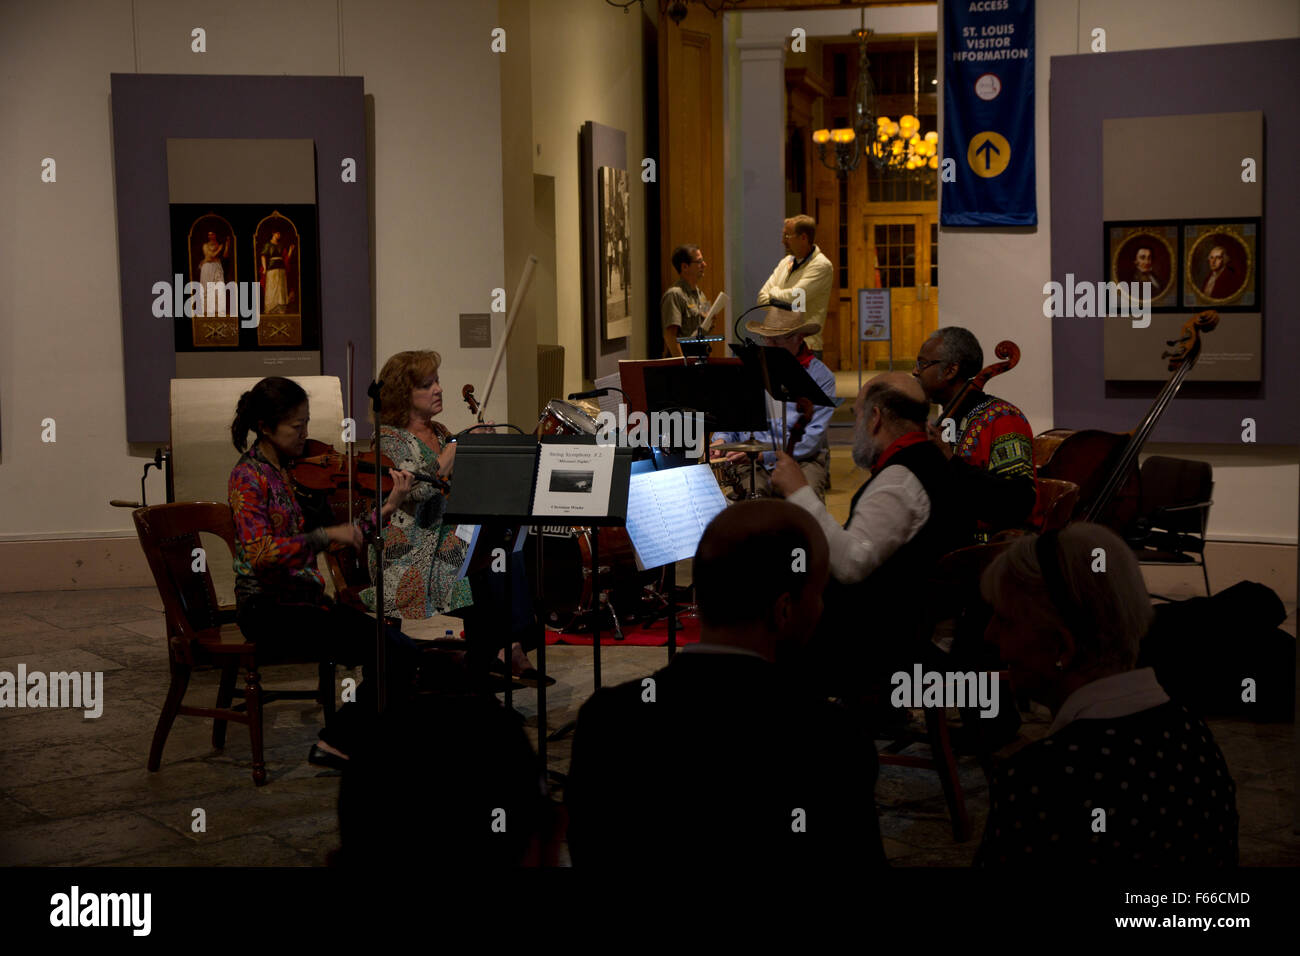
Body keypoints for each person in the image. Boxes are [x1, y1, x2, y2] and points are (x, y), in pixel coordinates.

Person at [565, 500, 886, 868]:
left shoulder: (607, 721)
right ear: (784, 611)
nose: (822, 608)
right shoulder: (831, 740)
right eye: (818, 592)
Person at [977, 524, 1238, 867]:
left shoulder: (1043, 779)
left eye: (1005, 620)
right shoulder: (1193, 734)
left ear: (1062, 647)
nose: (989, 635)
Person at [227, 376, 419, 770]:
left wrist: (388, 506)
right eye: (297, 427)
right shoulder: (248, 477)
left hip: (305, 603)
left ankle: (353, 739)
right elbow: (260, 553)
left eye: (306, 423)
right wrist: (321, 535)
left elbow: (342, 535)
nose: (305, 435)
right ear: (264, 426)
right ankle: (338, 742)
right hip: (267, 609)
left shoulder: (292, 472)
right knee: (395, 652)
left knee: (399, 649)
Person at [771, 373, 968, 699]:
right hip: (907, 624)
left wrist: (800, 493)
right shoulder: (931, 460)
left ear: (875, 417)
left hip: (885, 643)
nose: (856, 424)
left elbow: (852, 564)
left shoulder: (900, 480)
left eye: (857, 414)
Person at [913, 327, 1039, 536]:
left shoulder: (1003, 419)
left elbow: (1019, 502)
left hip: (986, 554)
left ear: (951, 370)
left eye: (922, 364)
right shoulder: (948, 422)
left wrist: (951, 461)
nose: (916, 371)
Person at [709, 308, 836, 501]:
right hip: (751, 460)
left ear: (799, 338)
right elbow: (734, 417)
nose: (769, 345)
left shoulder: (821, 377)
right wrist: (722, 440)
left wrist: (763, 455)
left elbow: (810, 440)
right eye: (766, 339)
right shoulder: (749, 368)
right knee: (753, 505)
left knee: (804, 505)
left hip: (801, 460)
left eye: (776, 340)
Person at [757, 215, 832, 359]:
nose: (783, 241)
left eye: (787, 236)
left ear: (803, 238)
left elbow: (795, 299)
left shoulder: (821, 265)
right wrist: (782, 300)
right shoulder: (785, 263)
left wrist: (773, 292)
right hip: (778, 345)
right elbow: (761, 299)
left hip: (806, 347)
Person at [660, 244, 709, 357]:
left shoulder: (701, 295)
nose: (704, 265)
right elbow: (670, 336)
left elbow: (705, 328)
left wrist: (711, 320)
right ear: (684, 267)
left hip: (700, 357)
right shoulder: (674, 295)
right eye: (699, 262)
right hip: (684, 362)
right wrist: (682, 364)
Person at [260, 229, 295, 314]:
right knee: (272, 287)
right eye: (277, 233)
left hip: (281, 269)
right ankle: (271, 307)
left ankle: (280, 308)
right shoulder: (268, 245)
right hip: (272, 268)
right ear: (273, 233)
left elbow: (286, 258)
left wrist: (290, 250)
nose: (279, 235)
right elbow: (263, 256)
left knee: (281, 288)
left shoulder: (281, 245)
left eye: (280, 234)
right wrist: (264, 268)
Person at [199, 229, 231, 317]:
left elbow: (225, 256)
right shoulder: (205, 246)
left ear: (215, 235)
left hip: (217, 266)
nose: (210, 236)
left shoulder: (219, 244)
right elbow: (210, 256)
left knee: (218, 287)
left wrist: (227, 245)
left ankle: (218, 309)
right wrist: (219, 249)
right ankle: (207, 309)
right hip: (207, 267)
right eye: (209, 234)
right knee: (207, 287)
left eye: (212, 234)